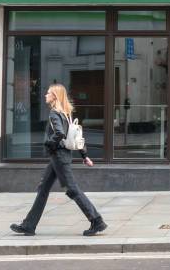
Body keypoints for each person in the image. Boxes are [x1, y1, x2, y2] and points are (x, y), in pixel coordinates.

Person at [10, 83, 107, 236]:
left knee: (73, 189)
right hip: (59, 156)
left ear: (55, 96)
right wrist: (84, 155)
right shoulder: (67, 114)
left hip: (59, 157)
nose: (45, 95)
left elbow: (60, 134)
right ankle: (29, 225)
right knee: (43, 188)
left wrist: (49, 144)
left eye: (48, 93)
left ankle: (97, 220)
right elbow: (76, 136)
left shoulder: (55, 114)